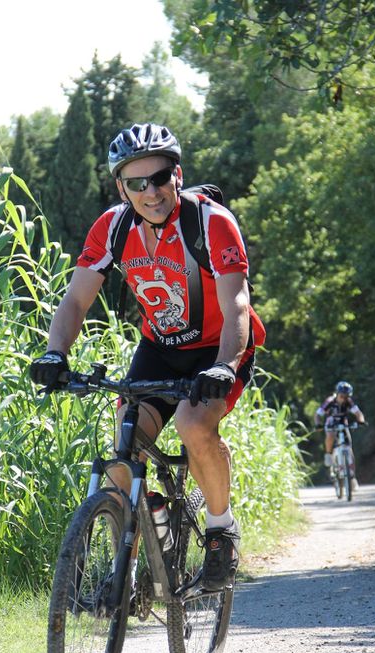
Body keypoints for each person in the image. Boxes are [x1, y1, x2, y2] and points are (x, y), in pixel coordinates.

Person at [30, 122, 265, 591]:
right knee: (123, 452)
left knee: (194, 425)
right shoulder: (113, 227)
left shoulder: (211, 222)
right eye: (136, 183)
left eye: (158, 178)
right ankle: (135, 562)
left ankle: (221, 529)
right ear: (122, 187)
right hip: (159, 349)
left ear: (176, 175)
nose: (150, 192)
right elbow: (76, 300)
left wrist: (222, 366)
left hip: (218, 347)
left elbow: (236, 302)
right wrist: (55, 353)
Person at [314, 381, 366, 486]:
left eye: (346, 397)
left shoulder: (349, 402)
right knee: (330, 436)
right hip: (331, 422)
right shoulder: (330, 401)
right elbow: (318, 414)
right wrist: (318, 424)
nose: (344, 398)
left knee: (349, 448)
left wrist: (361, 421)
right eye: (342, 396)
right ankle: (328, 455)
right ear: (337, 394)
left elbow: (358, 413)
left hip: (343, 423)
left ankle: (352, 477)